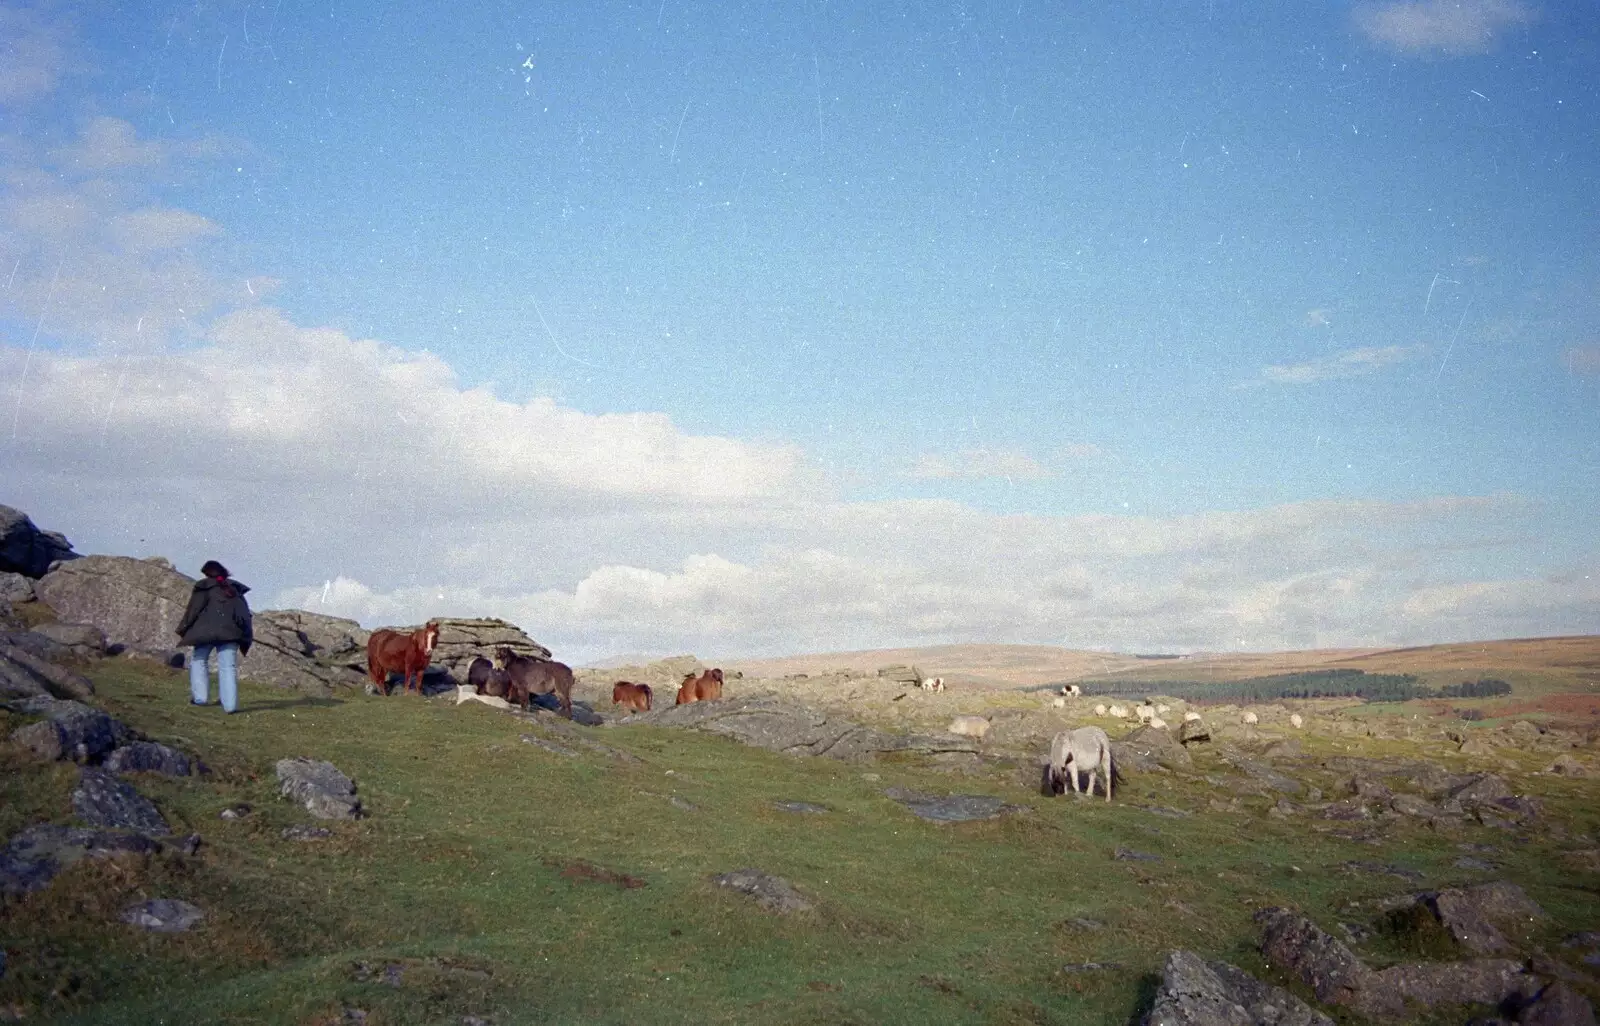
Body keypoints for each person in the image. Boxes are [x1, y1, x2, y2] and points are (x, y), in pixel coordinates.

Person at [175, 560, 253, 713]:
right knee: (228, 668)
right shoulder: (234, 590)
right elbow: (244, 615)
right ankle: (230, 706)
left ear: (206, 573)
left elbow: (193, 611)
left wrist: (183, 629)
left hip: (205, 633)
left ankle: (200, 698)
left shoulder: (204, 587)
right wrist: (245, 635)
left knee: (198, 661)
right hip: (230, 634)